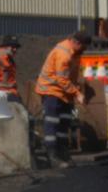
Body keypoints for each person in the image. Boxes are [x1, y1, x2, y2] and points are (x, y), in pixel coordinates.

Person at [35, 30, 90, 167]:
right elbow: (62, 79)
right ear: (76, 43)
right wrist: (77, 93)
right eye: (83, 47)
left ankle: (63, 152)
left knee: (64, 122)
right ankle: (52, 154)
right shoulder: (64, 54)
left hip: (65, 92)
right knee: (52, 122)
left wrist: (74, 90)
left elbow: (71, 77)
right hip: (51, 90)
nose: (85, 50)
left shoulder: (76, 53)